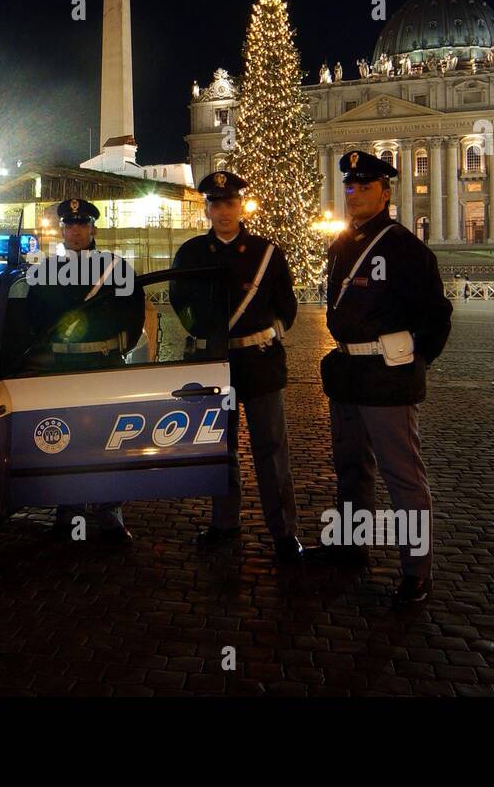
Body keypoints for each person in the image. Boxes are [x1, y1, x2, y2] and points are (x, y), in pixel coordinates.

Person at [318, 150, 452, 607]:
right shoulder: (340, 246)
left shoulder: (405, 248)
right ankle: (352, 545)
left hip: (387, 376)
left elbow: (437, 318)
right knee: (351, 469)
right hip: (347, 373)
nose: (354, 194)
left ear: (386, 191)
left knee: (402, 476)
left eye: (364, 186)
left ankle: (417, 571)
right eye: (350, 186)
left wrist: (413, 363)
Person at [171, 170, 302, 562]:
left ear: (240, 206)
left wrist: (268, 333)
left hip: (259, 363)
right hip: (215, 363)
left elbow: (287, 305)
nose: (223, 211)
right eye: (215, 204)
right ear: (207, 210)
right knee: (219, 446)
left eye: (230, 203)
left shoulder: (267, 252)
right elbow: (181, 301)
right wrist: (202, 331)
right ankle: (224, 521)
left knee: (271, 448)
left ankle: (283, 531)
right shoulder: (191, 253)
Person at [25, 198, 145, 546]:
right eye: (69, 225)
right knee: (64, 440)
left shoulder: (115, 267)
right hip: (62, 366)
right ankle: (69, 512)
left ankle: (110, 514)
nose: (75, 231)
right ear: (61, 229)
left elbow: (133, 318)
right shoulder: (44, 270)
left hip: (103, 364)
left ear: (93, 229)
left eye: (82, 224)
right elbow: (32, 319)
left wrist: (118, 350)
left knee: (108, 440)